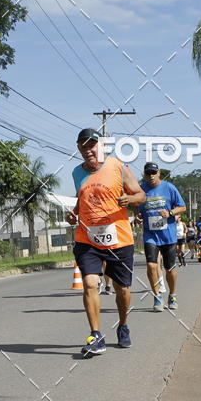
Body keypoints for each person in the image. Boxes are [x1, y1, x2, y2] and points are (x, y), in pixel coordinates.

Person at [67, 128, 145, 355]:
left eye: (92, 145)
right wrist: (74, 213)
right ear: (79, 149)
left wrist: (130, 198)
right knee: (90, 283)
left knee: (123, 289)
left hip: (118, 239)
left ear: (100, 146)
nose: (88, 150)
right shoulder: (76, 173)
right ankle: (96, 335)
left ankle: (123, 325)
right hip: (87, 238)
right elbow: (82, 199)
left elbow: (141, 195)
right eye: (83, 146)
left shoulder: (118, 167)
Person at [137, 163, 186, 311]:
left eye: (154, 172)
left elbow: (182, 207)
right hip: (150, 235)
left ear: (158, 173)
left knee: (169, 268)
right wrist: (137, 215)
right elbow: (137, 206)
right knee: (151, 265)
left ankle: (172, 295)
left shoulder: (169, 187)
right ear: (145, 175)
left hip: (168, 235)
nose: (151, 175)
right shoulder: (141, 189)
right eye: (148, 173)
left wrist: (170, 213)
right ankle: (157, 296)